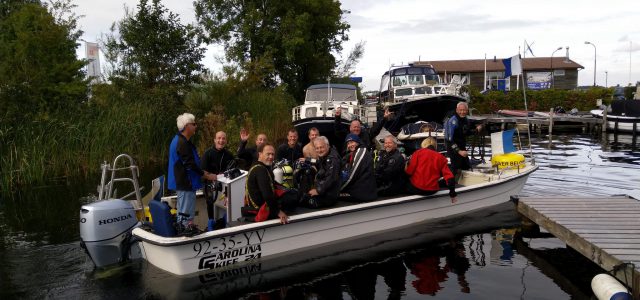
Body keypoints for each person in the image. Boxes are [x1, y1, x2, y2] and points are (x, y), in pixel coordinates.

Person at [167, 113, 216, 232]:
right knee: (185, 213)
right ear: (186, 126)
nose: (196, 126)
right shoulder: (182, 143)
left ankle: (185, 230)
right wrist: (206, 175)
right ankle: (184, 234)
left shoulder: (181, 140)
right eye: (194, 124)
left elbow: (190, 163)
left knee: (184, 212)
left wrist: (203, 172)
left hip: (185, 183)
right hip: (185, 183)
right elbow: (190, 164)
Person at [245, 143, 293, 224]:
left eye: (272, 154)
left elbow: (274, 185)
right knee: (293, 199)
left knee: (291, 193)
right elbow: (267, 194)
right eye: (268, 154)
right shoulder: (260, 170)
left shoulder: (258, 167)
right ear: (260, 154)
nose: (271, 157)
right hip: (261, 210)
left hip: (257, 207)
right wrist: (278, 212)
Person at [405, 137, 457, 203]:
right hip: (432, 191)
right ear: (435, 145)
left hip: (416, 188)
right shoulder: (441, 158)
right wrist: (452, 194)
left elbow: (409, 172)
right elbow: (450, 178)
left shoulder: (418, 153)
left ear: (423, 144)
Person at [201, 131, 235, 224]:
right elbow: (202, 172)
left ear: (226, 141)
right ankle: (211, 223)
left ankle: (224, 222)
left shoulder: (229, 154)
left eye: (223, 138)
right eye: (219, 138)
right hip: (210, 185)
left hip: (225, 185)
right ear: (215, 140)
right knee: (211, 203)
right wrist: (213, 177)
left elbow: (233, 170)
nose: (221, 140)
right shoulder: (207, 154)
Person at [444, 102, 482, 179]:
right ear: (457, 110)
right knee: (455, 167)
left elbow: (467, 132)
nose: (462, 112)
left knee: (466, 166)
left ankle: (463, 183)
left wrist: (476, 130)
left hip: (462, 147)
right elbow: (449, 140)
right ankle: (448, 185)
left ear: (467, 111)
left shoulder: (466, 120)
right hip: (453, 148)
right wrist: (459, 151)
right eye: (460, 110)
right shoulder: (452, 121)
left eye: (464, 110)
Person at [305, 136, 341, 208]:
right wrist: (308, 160)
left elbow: (331, 178)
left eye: (321, 147)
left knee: (304, 200)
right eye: (317, 148)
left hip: (329, 195)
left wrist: (318, 190)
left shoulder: (333, 159)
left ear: (327, 146)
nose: (319, 150)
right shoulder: (326, 155)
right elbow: (319, 162)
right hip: (325, 191)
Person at [339, 133, 377, 202]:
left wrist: (340, 188)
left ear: (357, 142)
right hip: (360, 188)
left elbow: (352, 176)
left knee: (335, 195)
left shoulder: (361, 151)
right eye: (348, 143)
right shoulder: (354, 152)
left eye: (352, 142)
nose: (350, 145)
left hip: (365, 192)